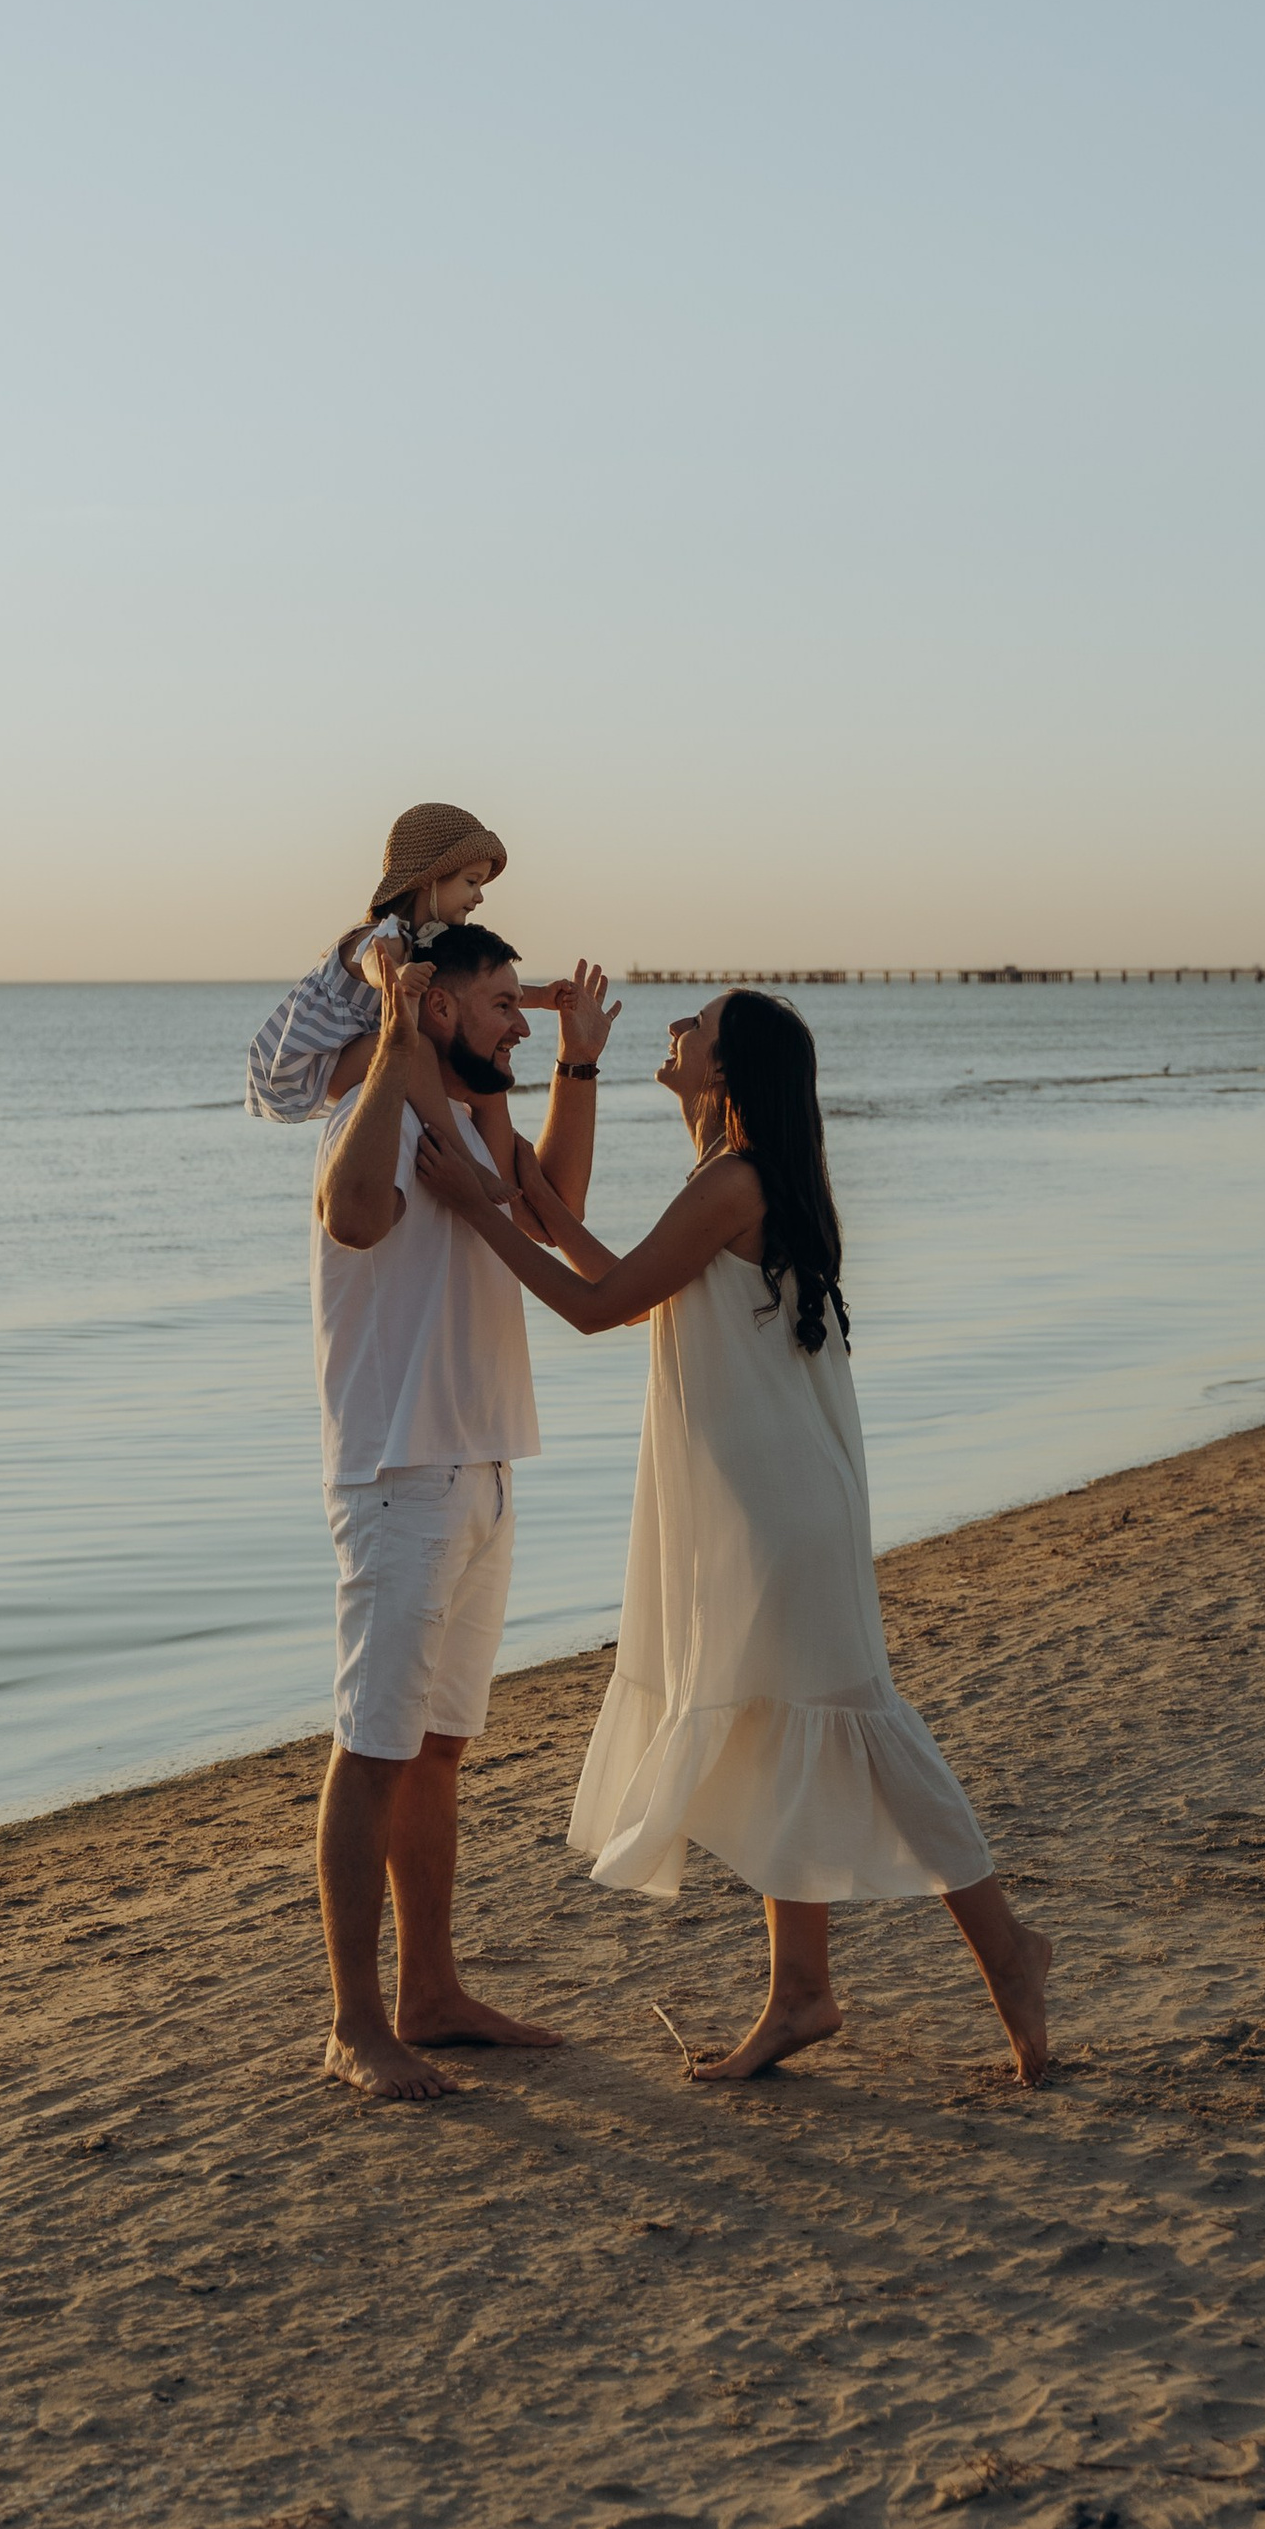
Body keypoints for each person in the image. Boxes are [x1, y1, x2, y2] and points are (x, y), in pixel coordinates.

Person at [418, 989, 1051, 2088]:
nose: (676, 1026)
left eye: (697, 1024)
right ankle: (800, 1991)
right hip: (774, 1497)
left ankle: (1007, 1950)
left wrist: (483, 1209)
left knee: (857, 1725)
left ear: (729, 1068)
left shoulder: (731, 1182)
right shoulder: (738, 1172)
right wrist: (530, 1191)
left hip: (776, 1507)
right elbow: (643, 1290)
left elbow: (599, 1307)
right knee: (772, 1725)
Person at [311, 923, 621, 2099]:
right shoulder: (381, 1113)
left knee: (436, 1747)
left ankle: (429, 1994)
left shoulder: (474, 1124)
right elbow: (351, 1216)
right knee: (373, 1747)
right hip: (400, 1473)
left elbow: (555, 1207)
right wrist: (395, 1034)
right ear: (437, 1007)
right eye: (501, 1005)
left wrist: (576, 1063)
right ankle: (354, 2024)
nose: (515, 1025)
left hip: (482, 1464)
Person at [246, 801, 521, 1126]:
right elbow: (373, 962)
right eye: (471, 882)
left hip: (360, 1047)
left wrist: (543, 997)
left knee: (463, 1059)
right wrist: (396, 975)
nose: (479, 896)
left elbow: (479, 993)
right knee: (420, 1050)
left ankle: (483, 1136)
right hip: (324, 1062)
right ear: (429, 878)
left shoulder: (422, 943)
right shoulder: (386, 935)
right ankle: (455, 1145)